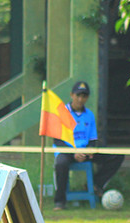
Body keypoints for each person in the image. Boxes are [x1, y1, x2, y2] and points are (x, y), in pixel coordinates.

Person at [52, 81, 124, 211]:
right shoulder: (62, 113)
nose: (80, 99)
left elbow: (92, 139)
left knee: (116, 155)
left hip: (85, 151)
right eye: (78, 95)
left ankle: (96, 184)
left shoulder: (89, 115)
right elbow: (57, 140)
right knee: (60, 164)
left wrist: (88, 151)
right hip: (66, 152)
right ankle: (60, 202)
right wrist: (73, 153)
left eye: (84, 96)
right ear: (71, 95)